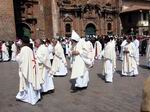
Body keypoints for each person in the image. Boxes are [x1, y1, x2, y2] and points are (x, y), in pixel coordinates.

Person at [16, 36, 41, 105]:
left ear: (23, 42)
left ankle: (29, 98)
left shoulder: (23, 49)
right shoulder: (29, 49)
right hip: (31, 68)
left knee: (28, 84)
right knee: (32, 83)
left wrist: (18, 52)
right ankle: (35, 97)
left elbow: (19, 59)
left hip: (27, 70)